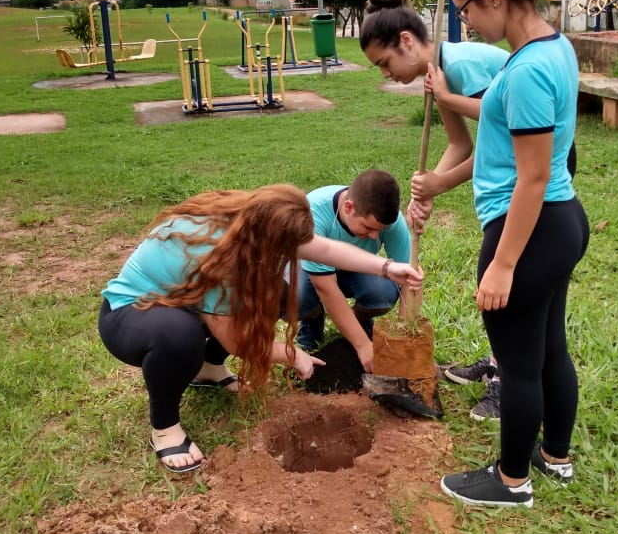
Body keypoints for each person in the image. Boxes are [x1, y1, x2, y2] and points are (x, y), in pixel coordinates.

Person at [98, 185, 424, 474]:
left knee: (275, 292)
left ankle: (209, 368)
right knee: (179, 334)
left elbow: (323, 250)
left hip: (181, 303)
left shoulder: (255, 221)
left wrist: (387, 267)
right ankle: (165, 428)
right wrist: (294, 355)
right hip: (130, 315)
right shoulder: (218, 257)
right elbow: (238, 340)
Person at [438, 0, 590, 509]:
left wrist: (501, 265)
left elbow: (529, 177)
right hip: (561, 221)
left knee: (520, 363)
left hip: (528, 227)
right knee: (550, 346)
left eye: (466, 11)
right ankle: (555, 456)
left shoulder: (526, 69)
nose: (466, 24)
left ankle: (511, 481)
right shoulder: (553, 47)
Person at [360, 0, 508, 417]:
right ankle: (499, 362)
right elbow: (460, 143)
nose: (388, 74)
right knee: (491, 277)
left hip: (533, 169)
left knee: (498, 280)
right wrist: (424, 191)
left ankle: (506, 376)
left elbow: (505, 140)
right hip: (503, 176)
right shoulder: (437, 76)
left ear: (406, 41)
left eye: (385, 63)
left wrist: (440, 184)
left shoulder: (460, 66)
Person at [297, 170, 411, 373]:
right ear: (349, 207)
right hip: (312, 273)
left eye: (380, 230)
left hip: (357, 270)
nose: (375, 236)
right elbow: (325, 286)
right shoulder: (314, 211)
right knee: (296, 296)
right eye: (368, 227)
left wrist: (404, 336)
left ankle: (358, 323)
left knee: (381, 293)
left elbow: (409, 281)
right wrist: (363, 346)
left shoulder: (391, 222)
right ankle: (312, 322)